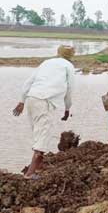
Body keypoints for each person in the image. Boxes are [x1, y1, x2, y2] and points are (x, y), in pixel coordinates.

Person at [12, 45, 75, 180]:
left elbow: (29, 82)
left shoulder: (47, 62)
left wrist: (22, 101)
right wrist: (67, 108)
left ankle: (37, 168)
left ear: (58, 53)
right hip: (45, 101)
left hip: (32, 99)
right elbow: (69, 89)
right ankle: (30, 174)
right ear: (71, 56)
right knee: (43, 135)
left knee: (38, 133)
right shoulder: (68, 67)